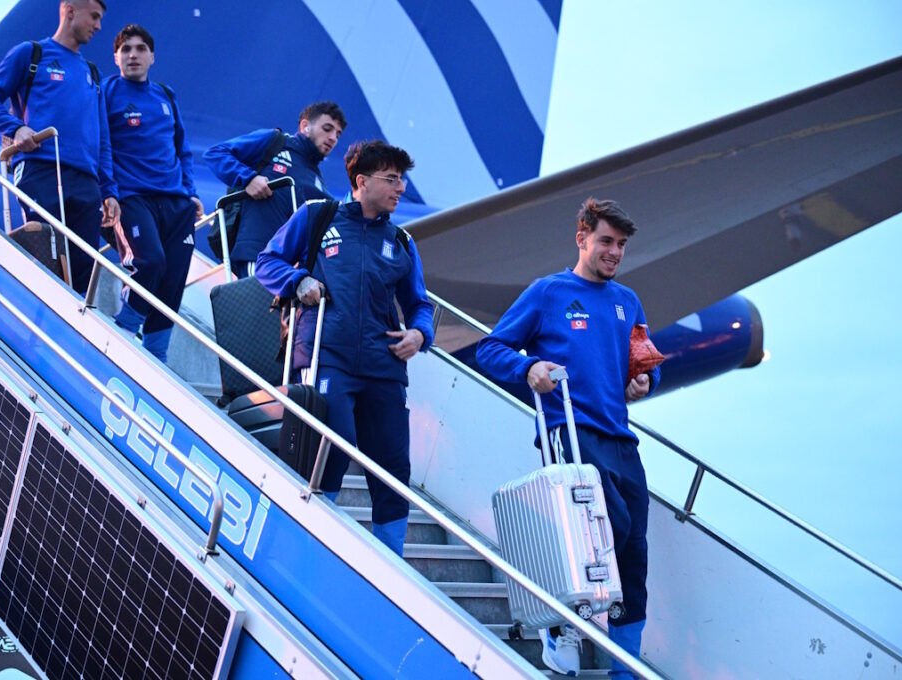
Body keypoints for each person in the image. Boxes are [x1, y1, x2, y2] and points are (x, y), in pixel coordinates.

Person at [476, 198, 660, 678]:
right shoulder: (548, 293)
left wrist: (645, 381)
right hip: (571, 433)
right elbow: (490, 349)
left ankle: (625, 669)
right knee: (606, 528)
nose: (614, 252)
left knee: (633, 553)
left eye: (621, 244)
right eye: (606, 241)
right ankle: (560, 625)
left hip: (621, 440)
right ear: (581, 239)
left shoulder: (628, 301)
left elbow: (643, 362)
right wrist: (528, 367)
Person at [255, 140, 434, 556]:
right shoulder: (317, 216)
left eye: (402, 180)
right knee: (332, 444)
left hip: (385, 365)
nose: (401, 188)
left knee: (393, 469)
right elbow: (267, 262)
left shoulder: (402, 241)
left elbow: (420, 304)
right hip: (326, 355)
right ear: (361, 181)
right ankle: (313, 545)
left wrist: (419, 335)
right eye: (392, 179)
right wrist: (298, 281)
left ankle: (390, 568)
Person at [0, 0, 119, 295]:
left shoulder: (92, 73)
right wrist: (16, 129)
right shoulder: (31, 54)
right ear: (70, 12)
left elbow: (102, 138)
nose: (98, 26)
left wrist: (109, 190)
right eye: (94, 17)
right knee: (47, 259)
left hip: (86, 183)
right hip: (41, 169)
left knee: (83, 274)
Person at [101, 24, 203, 362]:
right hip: (132, 198)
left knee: (172, 282)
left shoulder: (165, 95)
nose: (133, 55)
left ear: (152, 57)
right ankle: (123, 331)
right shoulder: (106, 93)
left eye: (141, 48)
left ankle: (156, 356)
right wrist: (108, 191)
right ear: (115, 57)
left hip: (176, 203)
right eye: (126, 49)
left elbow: (182, 149)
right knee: (151, 262)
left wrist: (190, 192)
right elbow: (100, 145)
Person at [202, 101, 346, 278]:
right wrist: (248, 179)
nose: (333, 138)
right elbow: (215, 153)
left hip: (290, 268)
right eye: (327, 129)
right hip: (257, 255)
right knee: (255, 296)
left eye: (338, 134)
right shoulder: (276, 142)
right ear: (305, 126)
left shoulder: (318, 181)